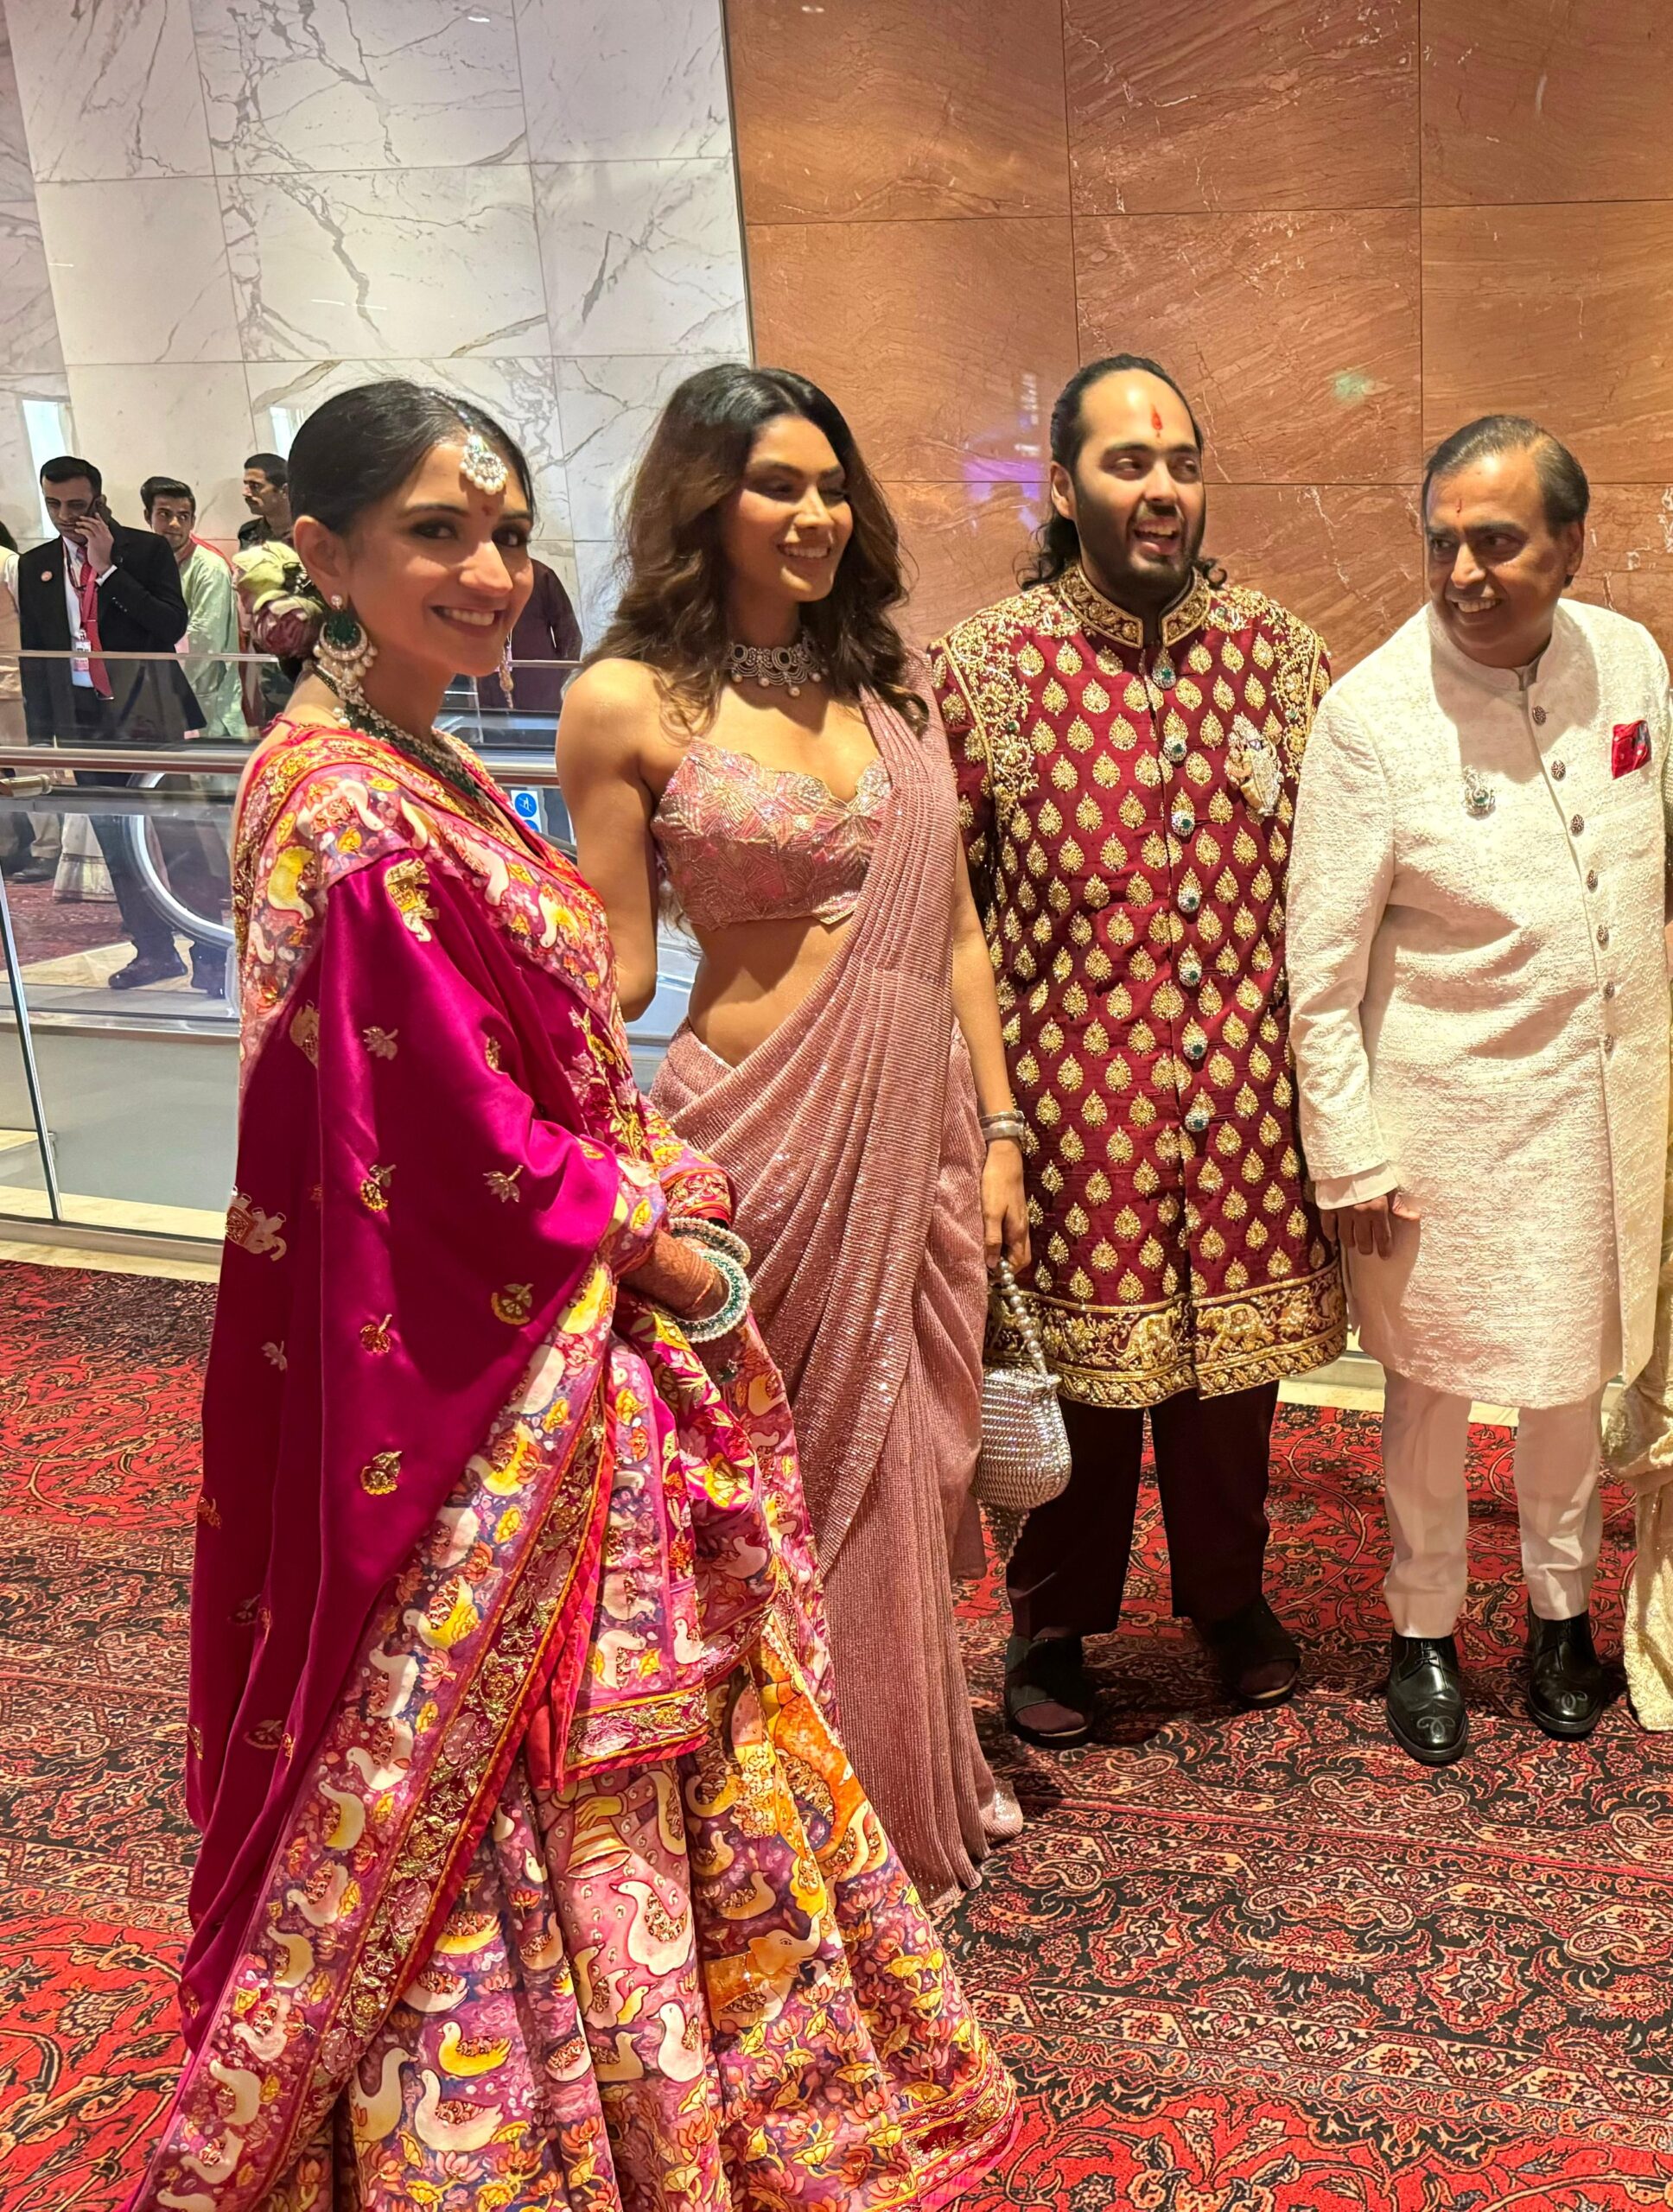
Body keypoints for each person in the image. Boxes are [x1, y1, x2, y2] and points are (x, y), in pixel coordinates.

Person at [131, 379, 1015, 2211]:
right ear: (322, 554)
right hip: (522, 1303)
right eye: (437, 534)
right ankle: (517, 2107)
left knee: (829, 1546)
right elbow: (446, 1123)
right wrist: (653, 1219)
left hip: (720, 1200)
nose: (485, 571)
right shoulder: (344, 803)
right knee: (547, 1703)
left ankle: (686, 2021)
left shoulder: (423, 758)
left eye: (507, 534)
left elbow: (528, 1034)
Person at [558, 363, 1030, 1906]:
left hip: (918, 1134)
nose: (817, 514)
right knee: (767, 1481)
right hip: (752, 1137)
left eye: (833, 486)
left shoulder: (894, 695)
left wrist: (1002, 1127)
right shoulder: (627, 702)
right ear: (705, 500)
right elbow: (618, 970)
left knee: (906, 1470)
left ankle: (900, 1783)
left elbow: (956, 934)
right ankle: (771, 1819)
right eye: (779, 485)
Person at [932, 354, 1345, 1749]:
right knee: (1079, 1395)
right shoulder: (986, 672)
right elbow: (946, 917)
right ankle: (1052, 1626)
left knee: (1234, 1396)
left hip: (1247, 1107)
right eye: (1127, 464)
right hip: (1071, 1113)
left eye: (1180, 463)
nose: (1162, 489)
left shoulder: (1282, 661)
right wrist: (986, 1123)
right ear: (1062, 488)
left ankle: (1229, 1600)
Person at [1287, 415, 1670, 1765]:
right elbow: (1320, 973)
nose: (1463, 572)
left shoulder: (1630, 660)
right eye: (1442, 540)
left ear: (1570, 543)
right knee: (1431, 1388)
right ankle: (1425, 1629)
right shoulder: (1369, 716)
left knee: (1572, 1381)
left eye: (1497, 541)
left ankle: (1563, 1618)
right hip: (1439, 1128)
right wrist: (1349, 1153)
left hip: (1603, 1113)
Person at [16, 454, 208, 988]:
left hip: (149, 709)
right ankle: (153, 950)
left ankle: (211, 951)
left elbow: (170, 624)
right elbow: (37, 655)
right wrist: (43, 739)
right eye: (53, 504)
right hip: (84, 716)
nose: (64, 515)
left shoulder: (144, 550)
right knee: (113, 833)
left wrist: (107, 571)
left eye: (76, 504)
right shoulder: (36, 565)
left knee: (177, 831)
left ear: (99, 501)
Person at [0, 517, 60, 883]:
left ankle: (46, 848)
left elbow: (34, 621)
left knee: (27, 767)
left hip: (13, 680)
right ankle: (6, 846)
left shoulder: (9, 563)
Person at [476, 550, 582, 715]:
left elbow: (571, 636)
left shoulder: (540, 576)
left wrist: (554, 677)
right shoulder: (475, 579)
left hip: (540, 694)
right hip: (490, 698)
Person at [237, 450, 292, 548]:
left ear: (284, 490)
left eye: (255, 486)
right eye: (246, 485)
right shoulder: (249, 534)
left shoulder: (311, 532)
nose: (245, 493)